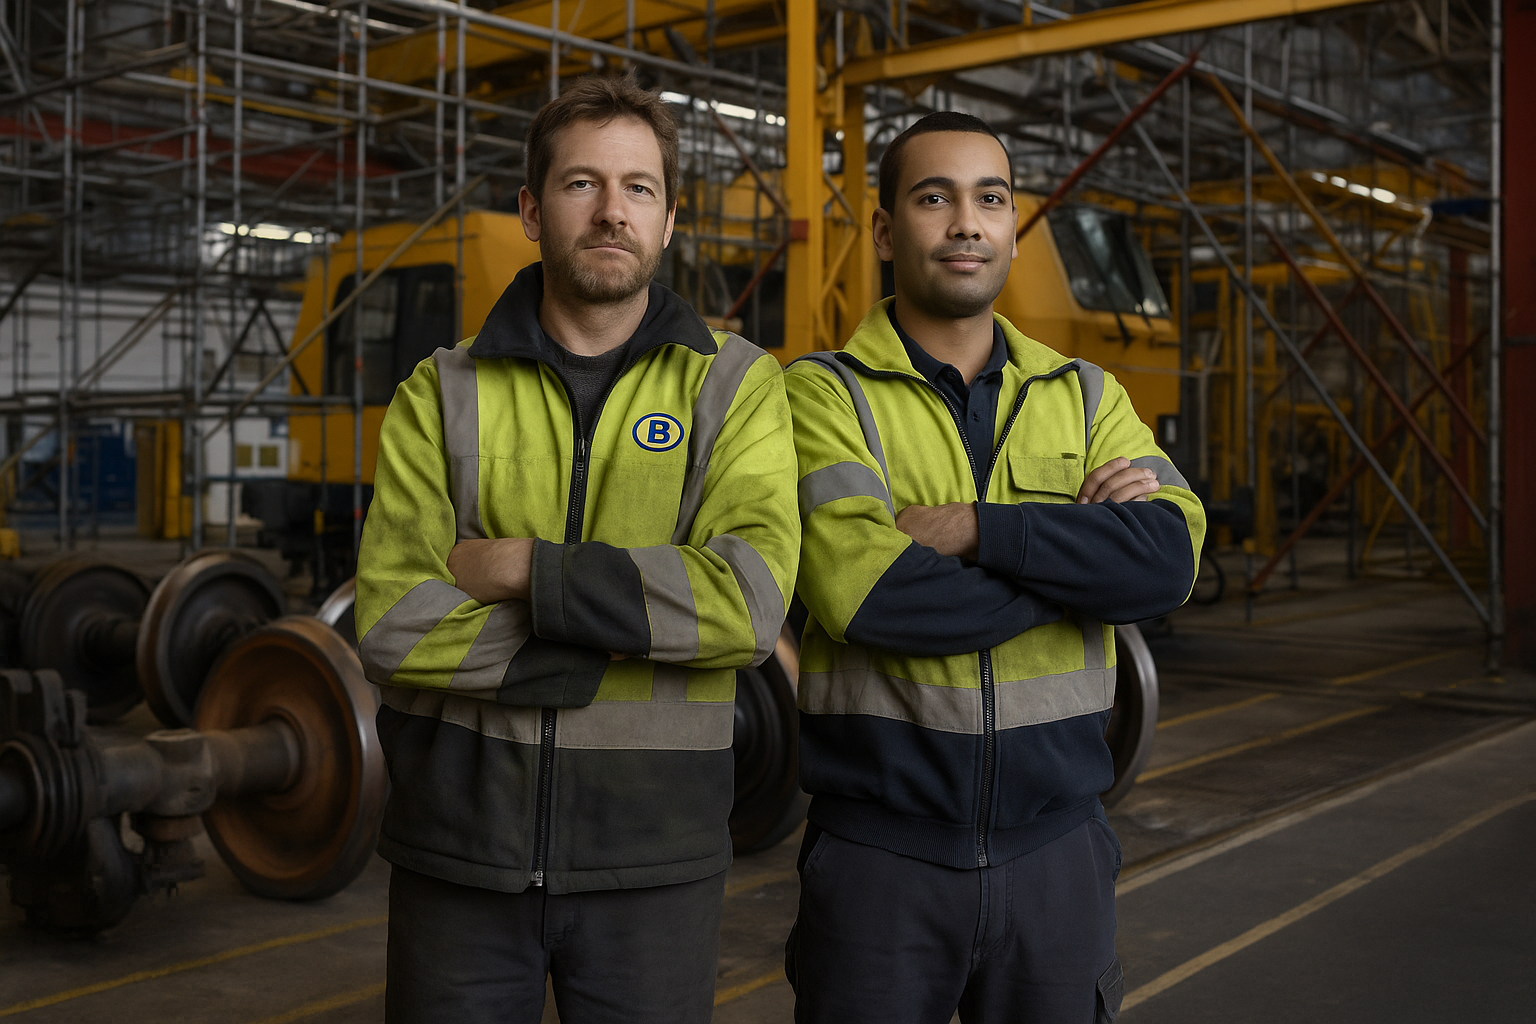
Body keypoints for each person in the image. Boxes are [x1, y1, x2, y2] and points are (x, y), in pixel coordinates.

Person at [354, 74, 800, 1024]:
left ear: (671, 219)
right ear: (530, 209)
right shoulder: (441, 392)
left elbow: (750, 608)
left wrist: (523, 569)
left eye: (639, 188)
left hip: (655, 856)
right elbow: (391, 625)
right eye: (581, 184)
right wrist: (621, 638)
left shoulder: (737, 388)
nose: (611, 212)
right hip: (457, 853)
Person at [782, 111, 1207, 1023]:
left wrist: (980, 530)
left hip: (1059, 857)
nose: (966, 222)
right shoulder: (820, 393)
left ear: (1013, 226)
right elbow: (868, 594)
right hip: (879, 864)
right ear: (889, 231)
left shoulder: (1087, 394)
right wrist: (1079, 569)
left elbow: (1168, 560)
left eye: (991, 199)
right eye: (935, 198)